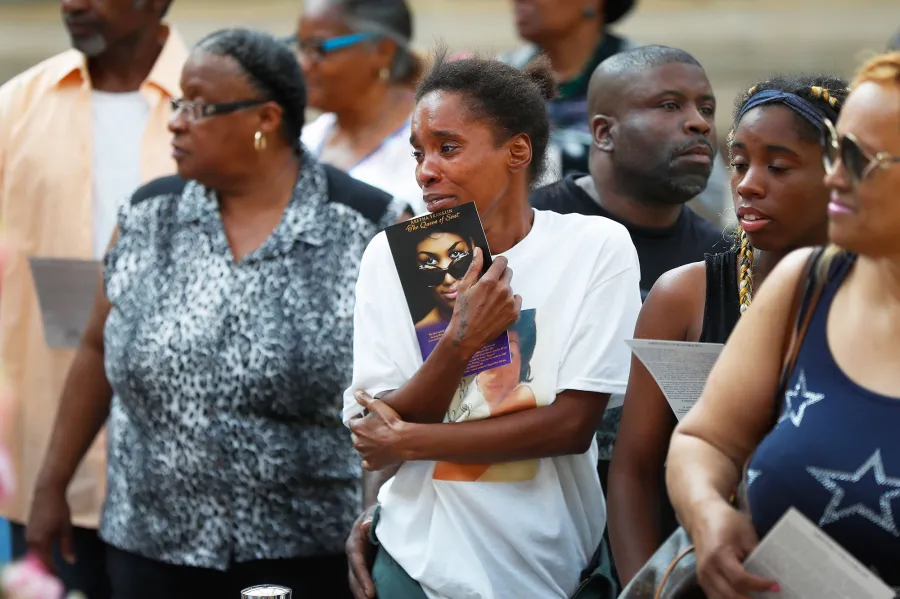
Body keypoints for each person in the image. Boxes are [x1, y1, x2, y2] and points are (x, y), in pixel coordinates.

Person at [26, 28, 400, 598]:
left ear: (266, 119)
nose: (176, 121)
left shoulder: (370, 225)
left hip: (309, 551)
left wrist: (383, 521)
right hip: (151, 543)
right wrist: (51, 484)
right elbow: (97, 349)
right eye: (178, 103)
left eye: (198, 107)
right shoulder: (148, 215)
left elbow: (420, 386)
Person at [343, 52, 641, 599]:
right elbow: (374, 435)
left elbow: (571, 426)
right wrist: (459, 341)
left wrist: (410, 439)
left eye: (447, 148)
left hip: (554, 570)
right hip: (420, 567)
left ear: (517, 151)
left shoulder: (595, 248)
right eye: (419, 152)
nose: (425, 169)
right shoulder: (398, 256)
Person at [665, 51, 900, 597]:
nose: (834, 176)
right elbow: (705, 439)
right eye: (837, 152)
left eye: (863, 161)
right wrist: (708, 515)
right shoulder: (808, 284)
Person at [606, 74, 847, 585]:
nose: (747, 183)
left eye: (777, 167)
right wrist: (647, 587)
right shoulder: (684, 296)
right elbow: (633, 472)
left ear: (840, 177)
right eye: (738, 163)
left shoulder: (874, 301)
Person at [0, 0, 185, 595]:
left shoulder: (212, 97)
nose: (73, 4)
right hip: (46, 420)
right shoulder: (17, 105)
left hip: (185, 448)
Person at [530, 44, 727, 502]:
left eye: (707, 108)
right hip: (527, 523)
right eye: (669, 105)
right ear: (603, 132)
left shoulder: (722, 261)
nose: (699, 122)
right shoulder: (527, 230)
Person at [296, 0, 425, 215]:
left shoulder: (434, 145)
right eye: (300, 47)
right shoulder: (305, 141)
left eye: (318, 48)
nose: (303, 64)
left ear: (383, 51)